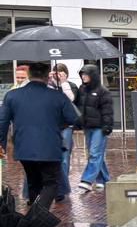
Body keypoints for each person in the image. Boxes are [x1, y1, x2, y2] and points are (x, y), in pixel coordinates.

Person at [0, 61, 79, 209]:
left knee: (33, 182)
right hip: (50, 146)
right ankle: (38, 215)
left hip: (24, 147)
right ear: (47, 77)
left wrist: (1, 145)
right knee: (51, 183)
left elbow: (2, 122)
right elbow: (73, 119)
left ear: (29, 75)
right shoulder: (57, 96)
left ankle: (34, 215)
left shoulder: (12, 95)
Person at [74, 65, 115, 190]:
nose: (83, 77)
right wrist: (78, 121)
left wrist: (107, 125)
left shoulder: (103, 91)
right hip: (87, 127)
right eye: (82, 74)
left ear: (93, 75)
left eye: (86, 74)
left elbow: (107, 110)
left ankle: (87, 180)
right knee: (96, 154)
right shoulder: (82, 89)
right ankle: (104, 179)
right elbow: (78, 106)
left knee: (94, 153)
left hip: (99, 128)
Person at [50, 63, 79, 197]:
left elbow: (70, 100)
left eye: (60, 73)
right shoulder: (49, 86)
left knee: (65, 157)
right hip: (52, 126)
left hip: (66, 126)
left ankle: (63, 185)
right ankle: (55, 183)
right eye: (55, 72)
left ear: (66, 74)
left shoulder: (71, 86)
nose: (57, 75)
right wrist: (50, 81)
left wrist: (63, 83)